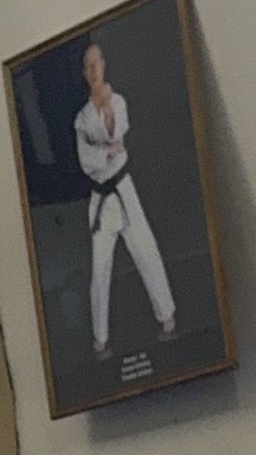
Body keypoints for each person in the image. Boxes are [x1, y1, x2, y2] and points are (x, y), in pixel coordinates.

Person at [76, 40, 175, 360]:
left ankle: (166, 315)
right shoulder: (81, 119)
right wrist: (107, 151)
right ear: (84, 73)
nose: (93, 70)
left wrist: (106, 113)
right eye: (88, 66)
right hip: (101, 199)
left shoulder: (117, 101)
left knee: (147, 252)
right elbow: (86, 161)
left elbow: (119, 131)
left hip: (123, 189)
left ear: (104, 65)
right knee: (100, 271)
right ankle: (100, 338)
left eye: (97, 64)